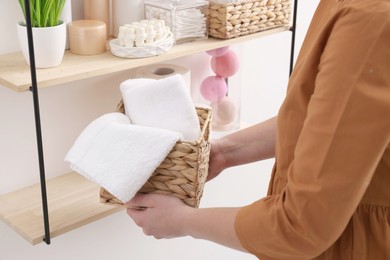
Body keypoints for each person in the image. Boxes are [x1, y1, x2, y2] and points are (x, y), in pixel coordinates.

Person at [126, 0, 390, 258]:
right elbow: (325, 123)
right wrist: (223, 153)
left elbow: (299, 227)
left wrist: (181, 220)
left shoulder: (370, 19)